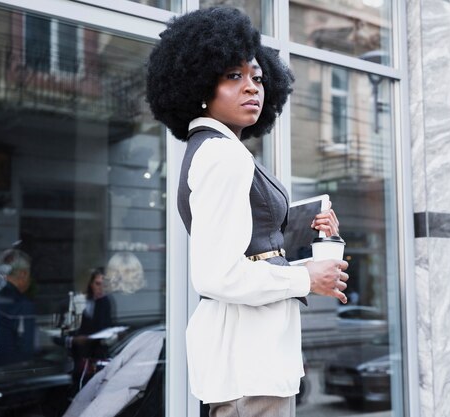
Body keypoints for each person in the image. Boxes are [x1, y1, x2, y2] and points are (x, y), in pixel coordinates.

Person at [146, 7, 349, 416]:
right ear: (201, 84)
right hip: (248, 359)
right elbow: (216, 274)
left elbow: (253, 245)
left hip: (252, 357)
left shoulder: (216, 151)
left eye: (257, 77)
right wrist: (305, 277)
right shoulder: (223, 156)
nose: (252, 87)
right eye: (233, 76)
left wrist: (310, 231)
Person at [0, 248, 36, 366]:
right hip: (11, 376)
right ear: (23, 274)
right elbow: (28, 349)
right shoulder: (23, 305)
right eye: (29, 273)